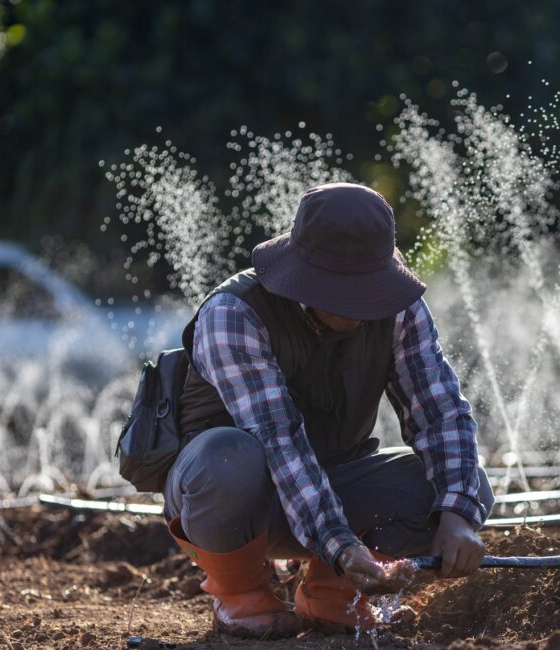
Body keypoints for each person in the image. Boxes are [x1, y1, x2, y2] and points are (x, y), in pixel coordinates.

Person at [163, 182, 494, 638]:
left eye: (369, 287)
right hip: (234, 497)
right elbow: (278, 441)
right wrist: (339, 542)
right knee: (228, 455)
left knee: (465, 484)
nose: (363, 304)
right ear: (305, 277)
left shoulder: (398, 308)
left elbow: (440, 411)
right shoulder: (234, 314)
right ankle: (240, 592)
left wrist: (458, 515)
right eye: (347, 291)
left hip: (334, 485)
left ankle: (333, 590)